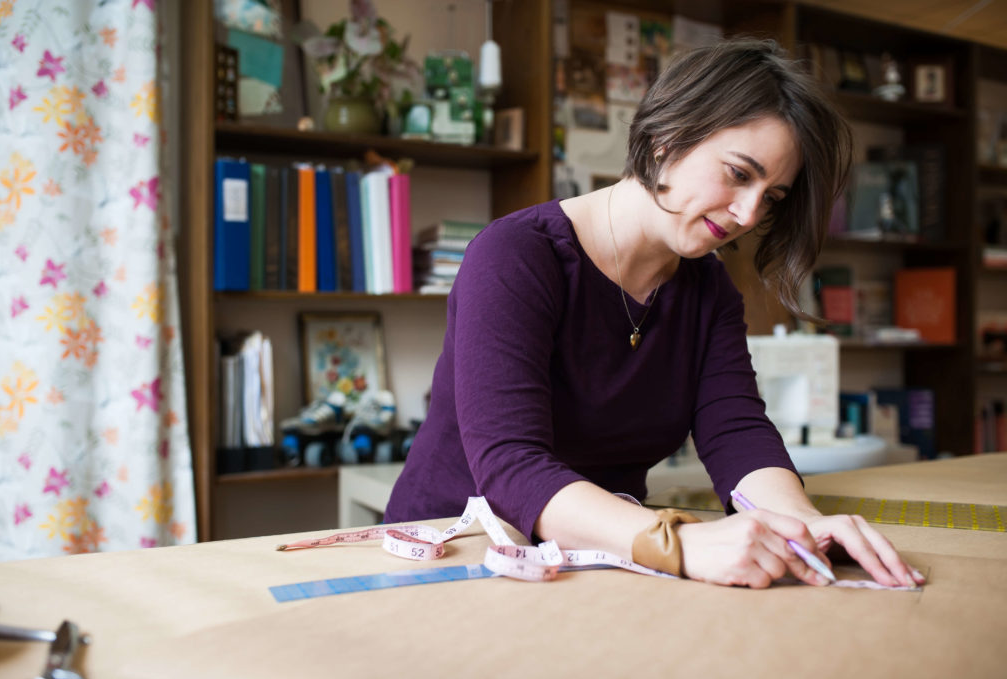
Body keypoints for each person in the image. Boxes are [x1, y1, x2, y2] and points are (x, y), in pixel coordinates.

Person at [385, 39, 924, 589]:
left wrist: (802, 527)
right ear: (667, 137)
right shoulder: (516, 256)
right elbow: (511, 465)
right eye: (739, 174)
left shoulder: (709, 290)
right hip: (456, 557)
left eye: (773, 197)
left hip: (599, 563)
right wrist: (676, 542)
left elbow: (735, 431)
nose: (748, 213)